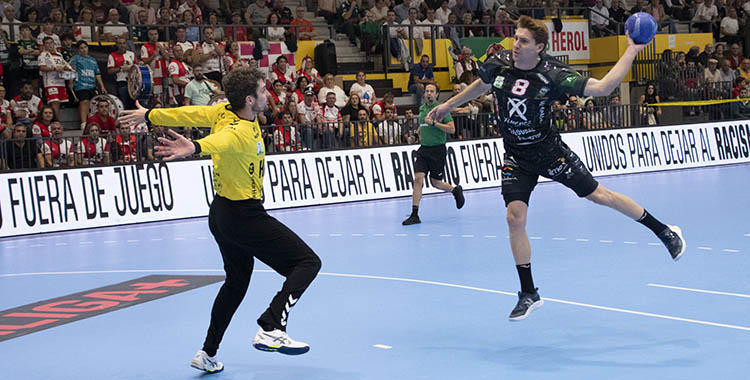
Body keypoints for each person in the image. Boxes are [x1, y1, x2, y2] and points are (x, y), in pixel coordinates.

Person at [426, 16, 686, 321]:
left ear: (539, 47)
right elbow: (481, 84)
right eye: (516, 38)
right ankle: (529, 293)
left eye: (523, 41)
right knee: (514, 217)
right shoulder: (498, 62)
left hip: (550, 152)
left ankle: (665, 231)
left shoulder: (553, 73)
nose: (516, 44)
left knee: (600, 196)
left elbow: (603, 88)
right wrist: (446, 106)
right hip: (516, 156)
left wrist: (632, 49)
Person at [118, 66, 322, 374]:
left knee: (237, 282)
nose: (267, 95)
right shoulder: (236, 130)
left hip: (222, 214)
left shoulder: (223, 111)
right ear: (250, 100)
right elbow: (221, 141)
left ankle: (208, 353)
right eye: (263, 91)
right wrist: (196, 147)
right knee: (307, 263)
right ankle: (271, 326)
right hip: (244, 215)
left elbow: (191, 113)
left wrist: (152, 115)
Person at [402, 83, 465, 225]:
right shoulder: (422, 108)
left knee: (436, 183)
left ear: (437, 94)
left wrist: (434, 124)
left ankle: (455, 190)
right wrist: (414, 135)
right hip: (424, 149)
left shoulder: (442, 110)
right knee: (418, 179)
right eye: (427, 91)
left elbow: (451, 129)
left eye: (432, 91)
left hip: (438, 149)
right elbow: (423, 124)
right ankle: (414, 214)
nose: (429, 93)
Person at [69, 40, 107, 130]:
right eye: (81, 48)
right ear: (78, 50)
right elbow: (71, 70)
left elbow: (97, 74)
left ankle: (93, 124)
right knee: (84, 102)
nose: (83, 49)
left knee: (93, 104)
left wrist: (102, 85)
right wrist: (70, 83)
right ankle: (83, 124)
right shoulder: (76, 58)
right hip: (81, 85)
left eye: (85, 47)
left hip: (92, 86)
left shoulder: (93, 60)